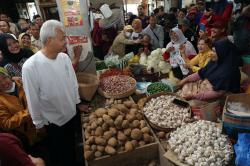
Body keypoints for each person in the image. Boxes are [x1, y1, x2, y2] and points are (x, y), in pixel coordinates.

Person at [22, 20, 82, 166]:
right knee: (60, 154)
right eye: (62, 38)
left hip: (71, 114)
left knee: (72, 149)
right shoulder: (30, 66)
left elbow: (73, 83)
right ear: (49, 40)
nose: (66, 42)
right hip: (54, 121)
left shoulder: (64, 58)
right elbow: (32, 98)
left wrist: (77, 103)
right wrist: (38, 123)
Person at [0, 67, 39, 146]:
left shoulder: (24, 83)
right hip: (26, 138)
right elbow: (6, 124)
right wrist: (27, 113)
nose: (3, 83)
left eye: (4, 78)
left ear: (9, 76)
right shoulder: (1, 100)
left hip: (44, 128)